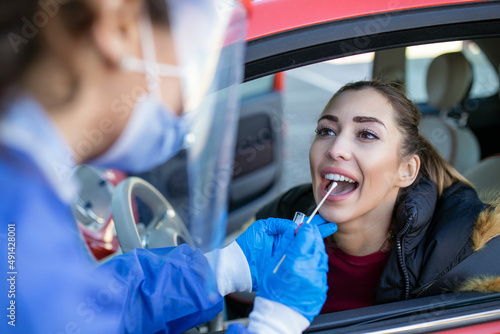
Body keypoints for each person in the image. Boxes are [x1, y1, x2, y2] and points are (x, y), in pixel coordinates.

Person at [0, 0, 337, 333]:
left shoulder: (23, 194)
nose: (186, 101)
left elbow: (84, 311)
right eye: (198, 55)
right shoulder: (21, 229)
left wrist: (224, 268)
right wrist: (275, 325)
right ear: (117, 23)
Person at [256, 80, 500, 313]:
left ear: (406, 171)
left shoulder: (458, 262)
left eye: (367, 134)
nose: (335, 149)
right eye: (326, 130)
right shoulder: (284, 215)